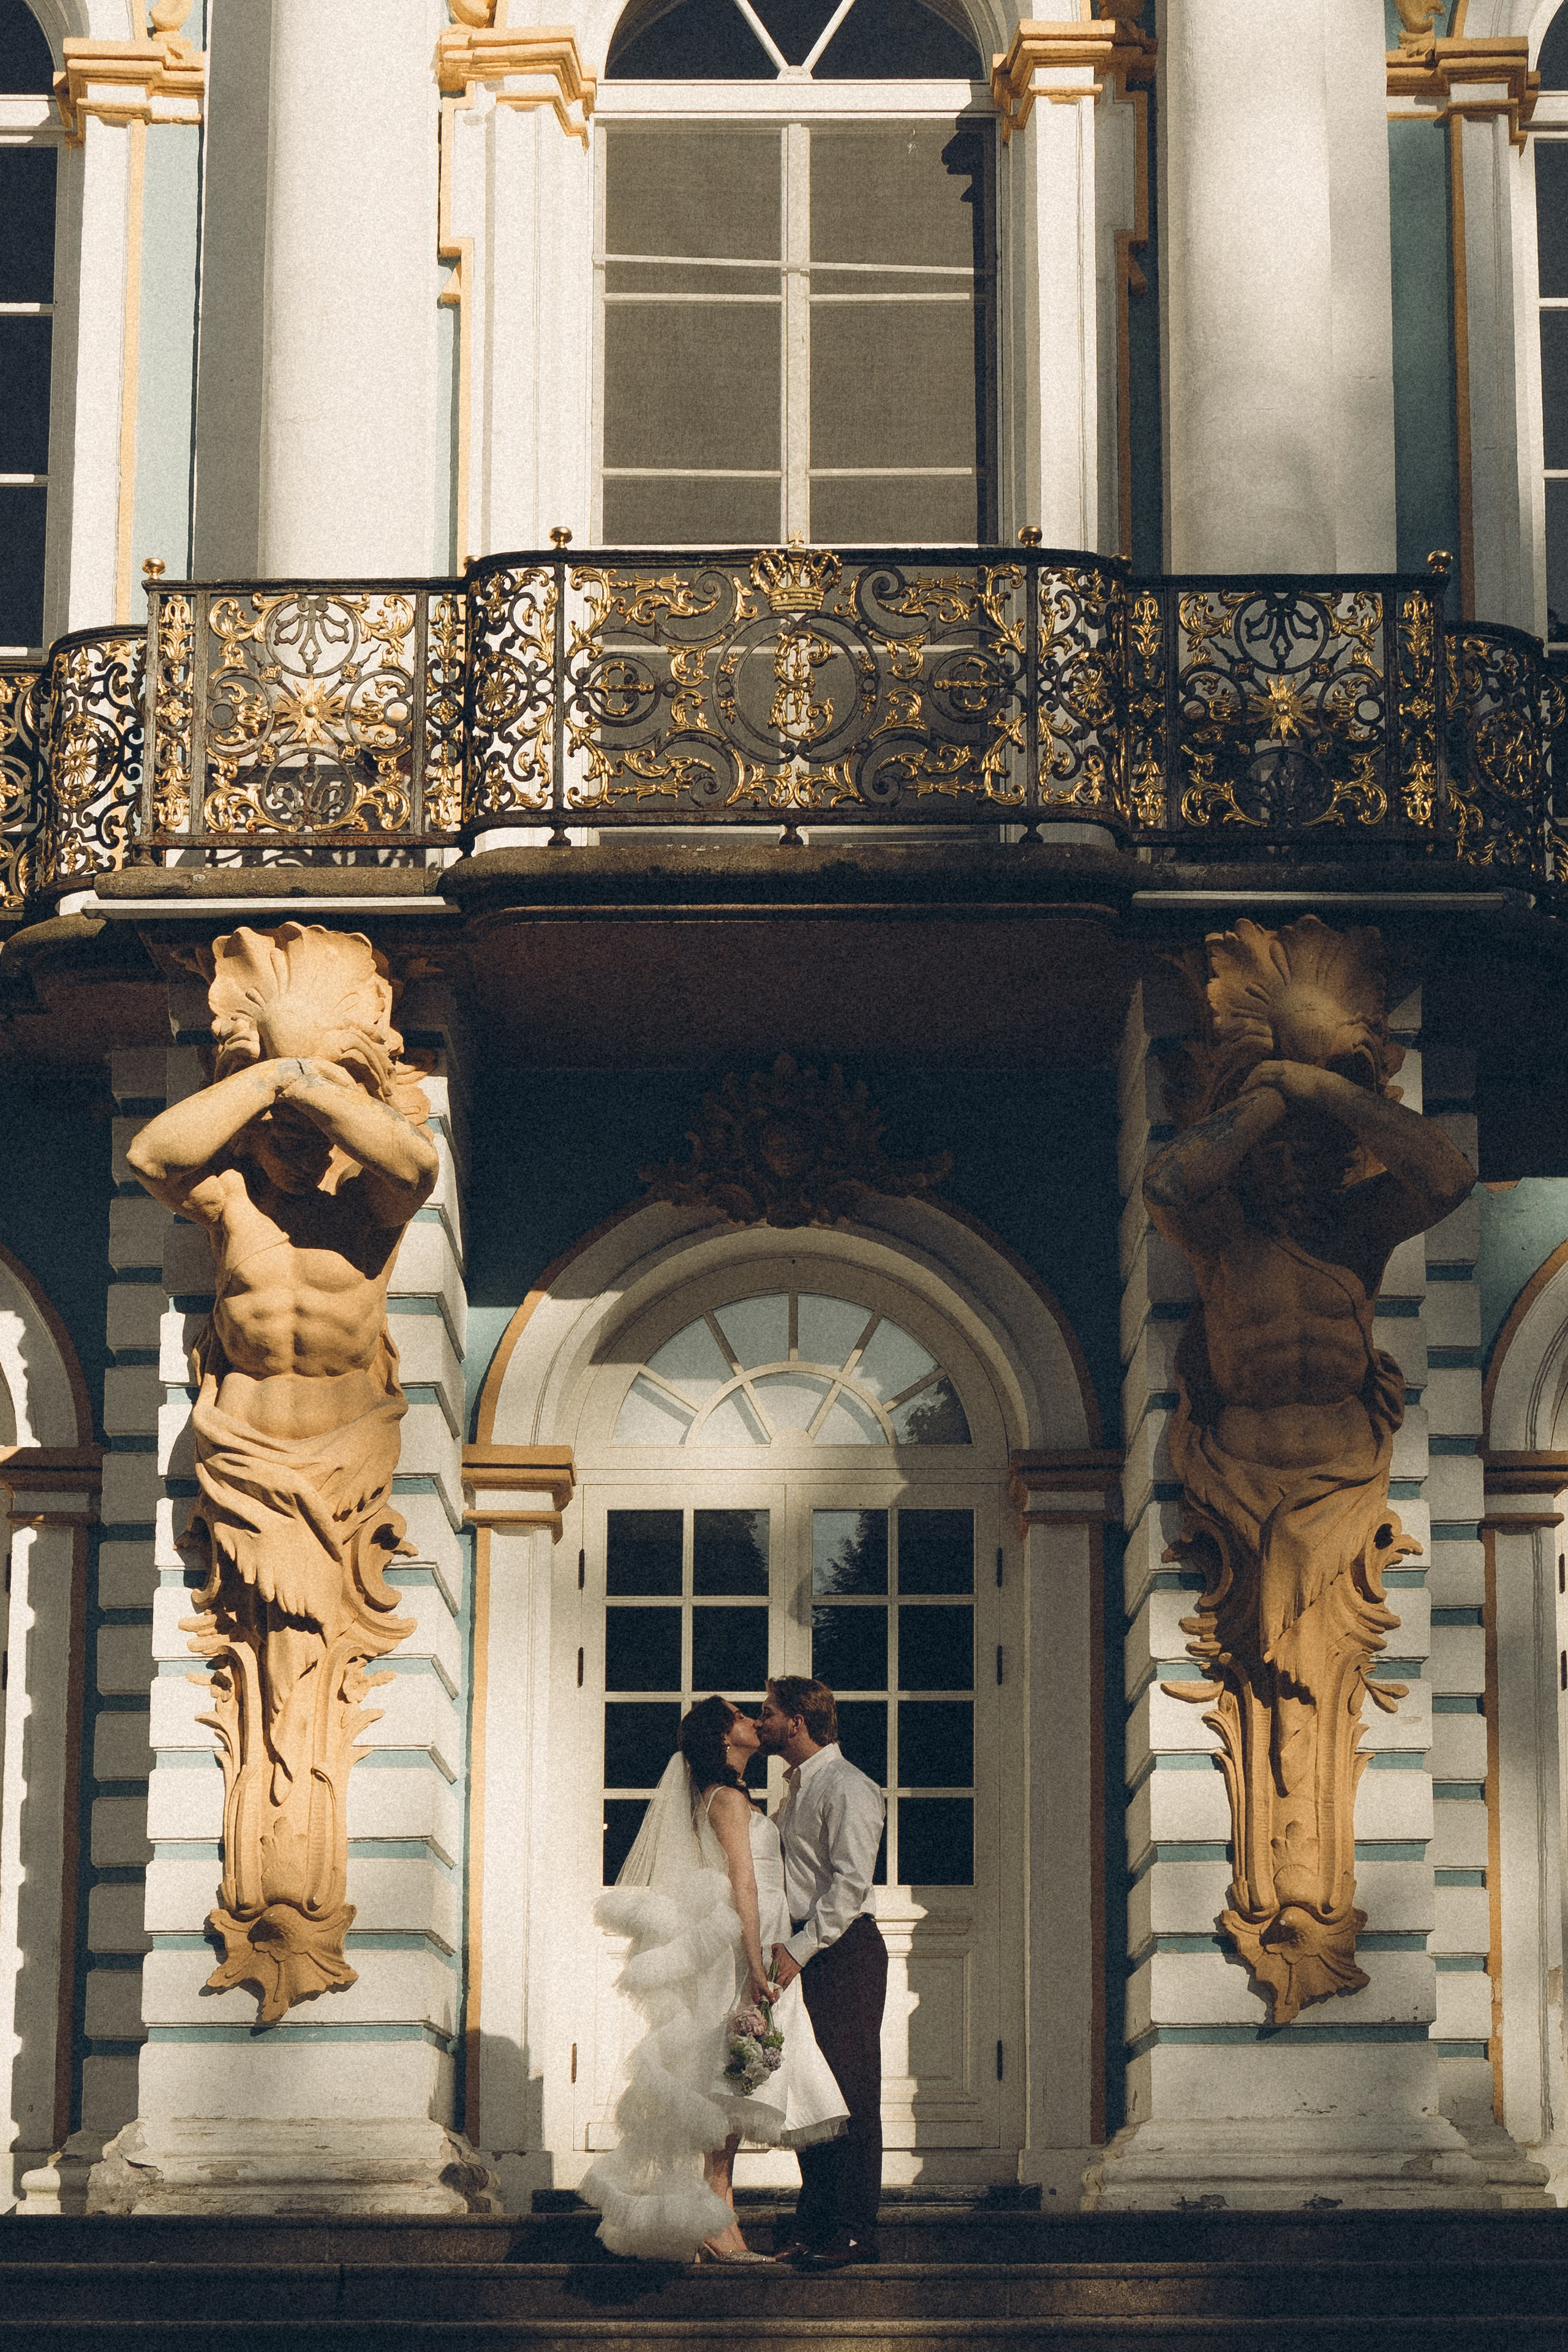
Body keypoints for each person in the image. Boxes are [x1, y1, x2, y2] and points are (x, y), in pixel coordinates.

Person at [583, 1695, 847, 2264]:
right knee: (727, 2084)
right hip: (743, 1948)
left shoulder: (737, 1797)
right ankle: (717, 2221)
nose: (754, 1718)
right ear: (724, 1738)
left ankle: (717, 2217)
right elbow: (742, 1886)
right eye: (740, 1714)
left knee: (734, 2085)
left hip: (758, 1939)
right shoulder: (726, 1799)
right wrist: (756, 1963)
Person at [757, 1675, 888, 2269]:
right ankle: (814, 2224)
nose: (761, 1723)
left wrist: (798, 1950)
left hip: (842, 1951)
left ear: (797, 1723)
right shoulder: (796, 1790)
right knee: (812, 2092)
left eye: (769, 1713)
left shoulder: (848, 1787)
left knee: (851, 2090)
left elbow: (849, 1886)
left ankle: (855, 2228)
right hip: (804, 1952)